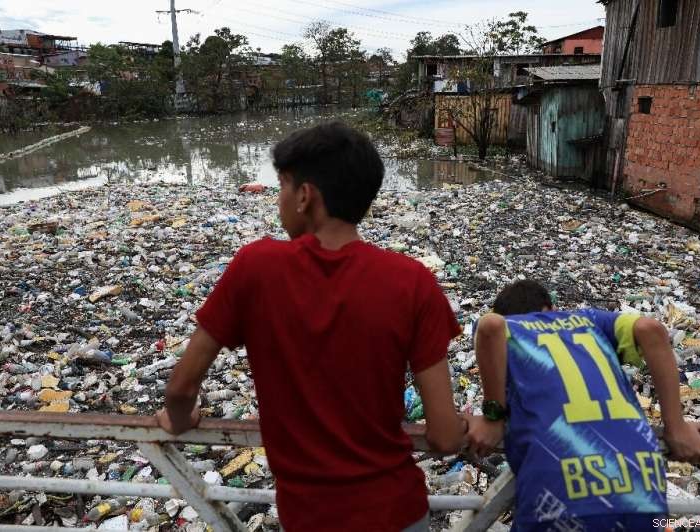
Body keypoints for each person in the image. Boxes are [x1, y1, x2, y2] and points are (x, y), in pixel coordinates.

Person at [156, 121, 467, 532]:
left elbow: (180, 388)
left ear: (305, 196)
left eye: (283, 186)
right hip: (397, 512)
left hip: (310, 518)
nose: (279, 200)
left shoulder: (256, 268)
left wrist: (179, 419)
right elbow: (444, 436)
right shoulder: (412, 281)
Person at [465, 280, 700, 532]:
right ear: (552, 307)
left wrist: (492, 417)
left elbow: (490, 326)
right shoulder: (589, 319)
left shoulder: (509, 326)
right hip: (641, 488)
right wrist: (676, 426)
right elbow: (651, 328)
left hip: (559, 492)